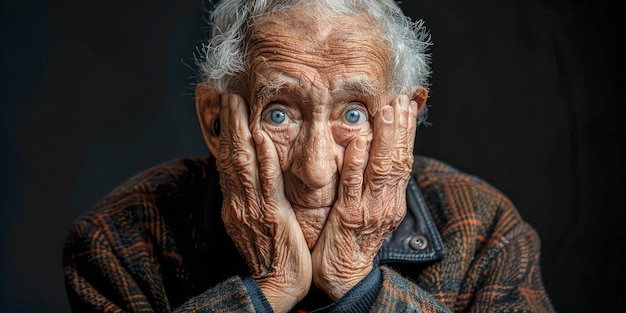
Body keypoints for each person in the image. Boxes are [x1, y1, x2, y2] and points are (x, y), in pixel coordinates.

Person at [62, 0, 556, 312]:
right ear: (215, 119)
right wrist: (264, 291)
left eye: (354, 115)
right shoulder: (119, 239)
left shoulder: (487, 233)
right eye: (279, 114)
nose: (315, 171)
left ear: (406, 117)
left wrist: (361, 291)